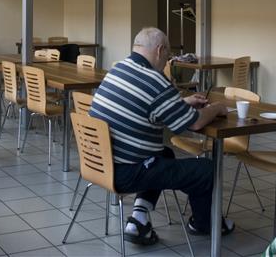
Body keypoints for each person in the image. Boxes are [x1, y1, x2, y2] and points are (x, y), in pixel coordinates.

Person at [89, 27, 233, 246]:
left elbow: (143, 105)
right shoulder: (155, 80)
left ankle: (138, 219)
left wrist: (181, 103)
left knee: (164, 153)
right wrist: (217, 108)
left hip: (98, 164)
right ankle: (204, 224)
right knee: (206, 170)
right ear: (159, 50)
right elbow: (194, 123)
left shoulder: (118, 69)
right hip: (126, 172)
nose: (167, 61)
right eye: (168, 55)